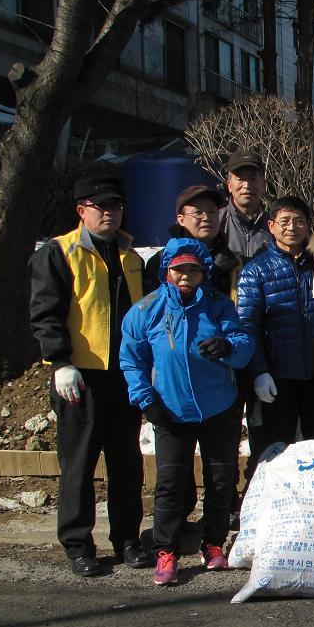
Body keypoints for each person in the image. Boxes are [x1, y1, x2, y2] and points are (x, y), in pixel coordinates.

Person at [29, 174, 147, 577]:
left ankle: (128, 539)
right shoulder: (60, 253)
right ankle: (78, 544)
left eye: (115, 206)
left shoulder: (131, 255)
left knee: (126, 462)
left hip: (123, 376)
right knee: (79, 464)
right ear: (82, 211)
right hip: (80, 376)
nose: (110, 214)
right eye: (101, 207)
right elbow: (46, 313)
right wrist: (59, 362)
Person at [120, 237, 254, 586]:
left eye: (193, 269)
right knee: (170, 483)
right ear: (167, 270)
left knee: (221, 479)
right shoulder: (146, 310)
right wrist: (146, 400)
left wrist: (227, 346)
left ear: (203, 272)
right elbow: (131, 360)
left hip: (218, 406)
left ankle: (213, 543)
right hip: (169, 409)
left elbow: (243, 346)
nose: (185, 276)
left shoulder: (218, 306)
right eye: (179, 269)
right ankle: (166, 550)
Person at [236, 195, 314, 454]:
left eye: (299, 220)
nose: (292, 227)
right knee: (276, 450)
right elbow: (247, 325)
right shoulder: (256, 270)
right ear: (271, 226)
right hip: (277, 377)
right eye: (285, 221)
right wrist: (259, 372)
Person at [144, 186, 242, 299]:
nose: (206, 218)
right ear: (181, 219)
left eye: (212, 212)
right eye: (198, 212)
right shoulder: (161, 262)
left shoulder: (234, 262)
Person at [220, 148, 271, 258]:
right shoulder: (217, 222)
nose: (247, 186)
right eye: (240, 179)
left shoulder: (274, 225)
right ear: (229, 185)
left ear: (263, 185)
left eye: (252, 179)